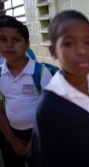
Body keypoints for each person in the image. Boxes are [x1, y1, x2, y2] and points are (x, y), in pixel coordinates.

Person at [31, 10, 89, 167]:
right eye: (69, 43)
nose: (82, 50)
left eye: (88, 42)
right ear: (53, 51)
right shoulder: (48, 109)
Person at [0, 15, 52, 167]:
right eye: (2, 39)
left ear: (27, 44)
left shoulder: (40, 73)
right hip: (9, 133)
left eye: (16, 40)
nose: (9, 45)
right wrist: (12, 140)